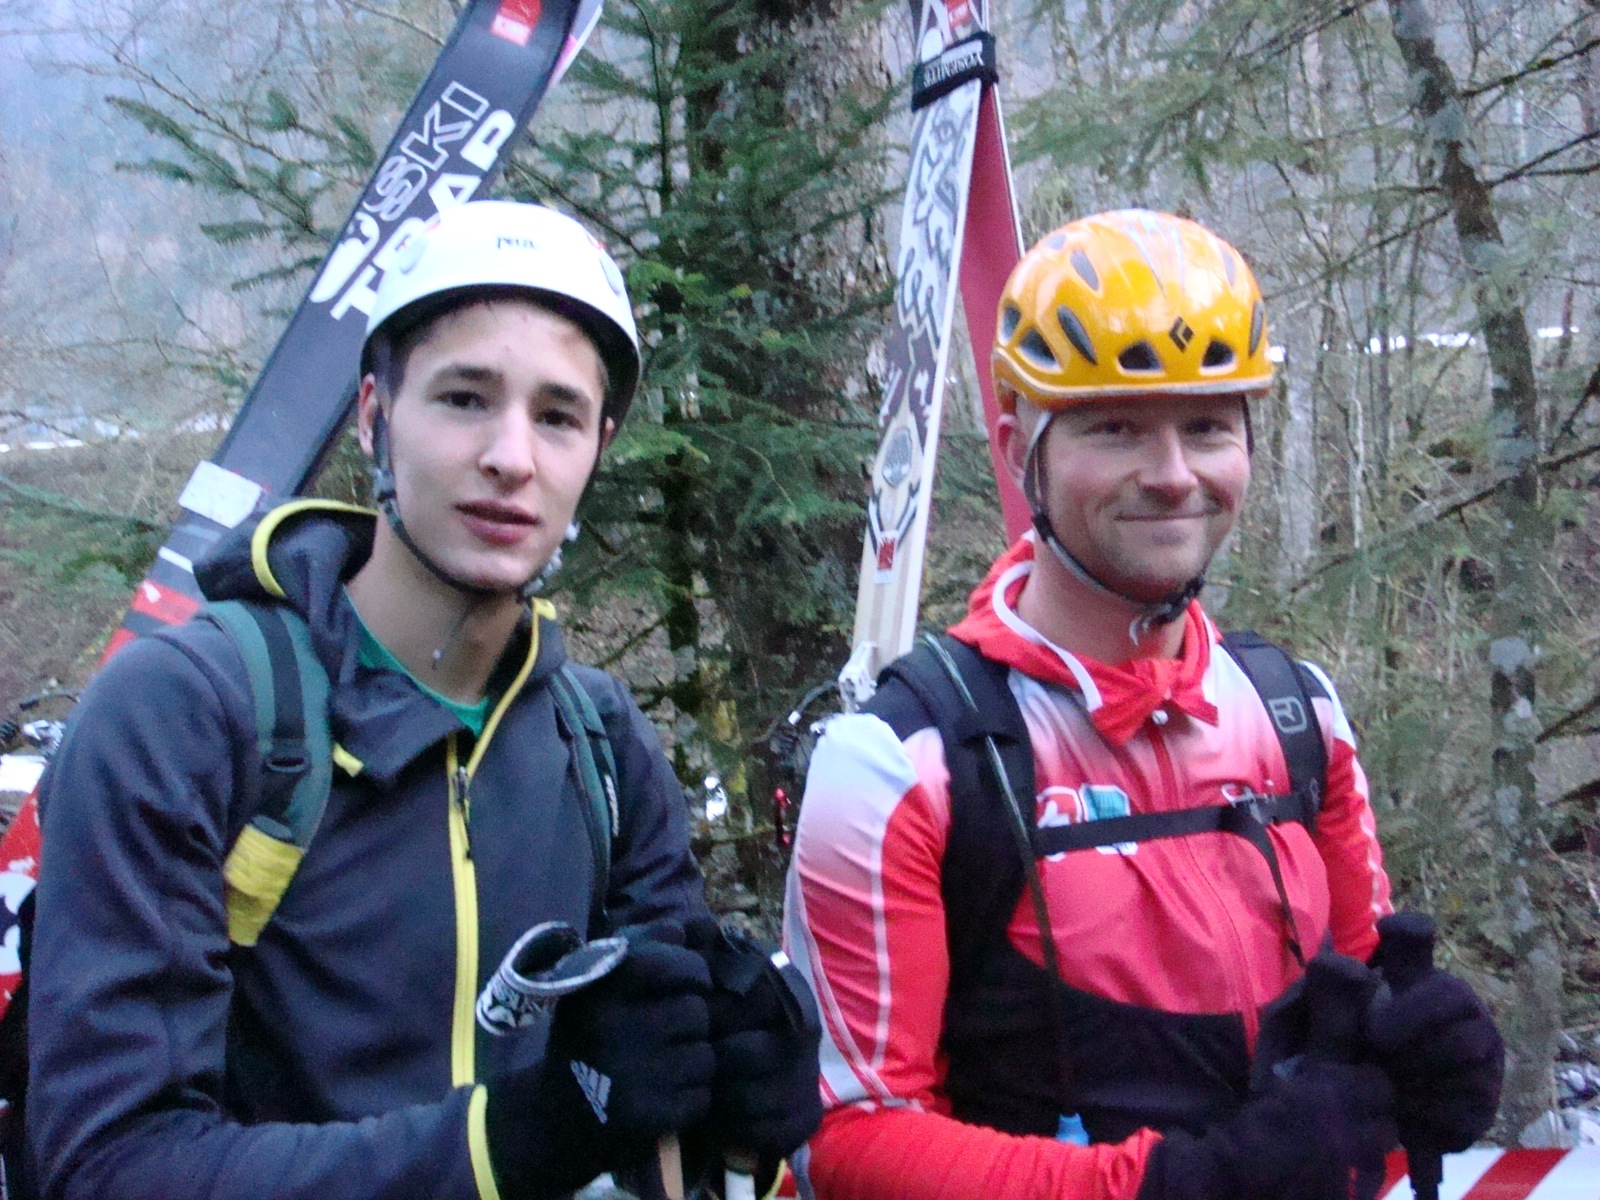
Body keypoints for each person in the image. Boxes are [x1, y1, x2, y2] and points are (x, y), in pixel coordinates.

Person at [26, 200, 820, 1200]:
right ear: (374, 416)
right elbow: (111, 1164)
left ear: (598, 447)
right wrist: (510, 1141)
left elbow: (645, 1109)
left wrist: (739, 1119)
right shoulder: (185, 716)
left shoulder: (601, 746)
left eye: (558, 417)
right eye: (463, 398)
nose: (512, 457)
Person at [782, 210, 1503, 1200]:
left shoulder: (1300, 718)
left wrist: (1423, 1062)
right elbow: (846, 1139)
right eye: (1114, 426)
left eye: (1205, 426)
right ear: (1018, 448)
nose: (1171, 476)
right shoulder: (901, 764)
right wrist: (1176, 1185)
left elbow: (1357, 1028)